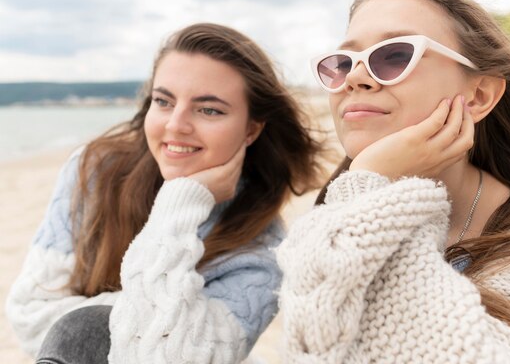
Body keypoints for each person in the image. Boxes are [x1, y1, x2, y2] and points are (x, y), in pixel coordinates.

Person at [277, 0, 510, 363]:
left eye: (394, 56)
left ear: (478, 95)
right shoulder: (330, 216)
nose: (355, 77)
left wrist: (368, 188)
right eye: (341, 63)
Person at [6, 23, 324, 364]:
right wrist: (159, 316)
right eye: (163, 101)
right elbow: (29, 316)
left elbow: (167, 357)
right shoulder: (94, 172)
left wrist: (182, 203)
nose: (175, 125)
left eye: (209, 109)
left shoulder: (262, 253)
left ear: (251, 129)